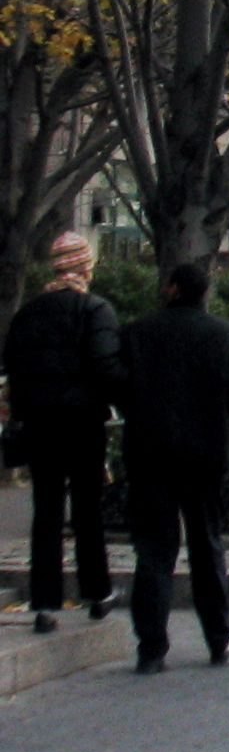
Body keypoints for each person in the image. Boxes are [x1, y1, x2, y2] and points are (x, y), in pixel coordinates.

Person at [112, 263, 229, 673]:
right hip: (204, 453)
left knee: (154, 551)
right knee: (206, 545)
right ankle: (218, 636)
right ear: (204, 293)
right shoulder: (224, 336)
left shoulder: (138, 334)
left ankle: (152, 648)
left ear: (172, 289)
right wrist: (212, 410)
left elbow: (117, 383)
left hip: (150, 453)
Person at [3, 230, 121, 634]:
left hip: (39, 423)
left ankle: (44, 602)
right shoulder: (95, 309)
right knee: (87, 510)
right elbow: (105, 366)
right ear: (84, 267)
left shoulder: (27, 314)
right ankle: (97, 592)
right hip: (84, 422)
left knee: (47, 511)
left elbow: (14, 370)